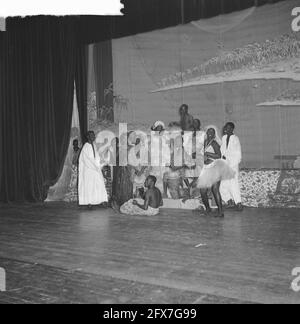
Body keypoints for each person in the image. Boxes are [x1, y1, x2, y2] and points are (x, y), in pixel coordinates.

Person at [194, 126, 236, 217]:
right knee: (203, 191)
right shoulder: (204, 142)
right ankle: (208, 209)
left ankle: (221, 212)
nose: (210, 133)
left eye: (212, 132)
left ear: (214, 134)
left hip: (215, 168)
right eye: (209, 131)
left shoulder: (214, 143)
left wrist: (207, 154)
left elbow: (218, 155)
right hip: (206, 168)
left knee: (215, 190)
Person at [78, 131, 108, 209]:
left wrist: (100, 164)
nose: (93, 137)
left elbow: (97, 157)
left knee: (99, 183)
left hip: (95, 169)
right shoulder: (86, 146)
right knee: (90, 186)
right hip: (89, 170)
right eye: (92, 135)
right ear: (88, 137)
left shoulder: (94, 145)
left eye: (94, 135)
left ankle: (101, 200)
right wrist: (96, 166)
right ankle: (89, 202)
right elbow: (86, 160)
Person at [220, 122, 243, 211]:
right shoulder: (224, 137)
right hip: (225, 164)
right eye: (226, 127)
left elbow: (238, 154)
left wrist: (231, 164)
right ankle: (229, 201)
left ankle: (238, 203)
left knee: (234, 184)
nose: (227, 129)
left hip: (233, 165)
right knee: (223, 185)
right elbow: (222, 151)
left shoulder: (235, 139)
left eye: (229, 128)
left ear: (232, 129)